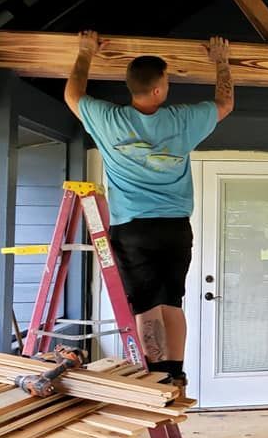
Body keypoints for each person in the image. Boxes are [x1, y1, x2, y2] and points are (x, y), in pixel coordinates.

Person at [64, 31, 234, 389]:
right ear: (158, 90)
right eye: (167, 81)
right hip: (175, 227)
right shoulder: (182, 120)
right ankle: (177, 373)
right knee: (172, 300)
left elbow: (73, 94)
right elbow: (224, 102)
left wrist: (85, 52)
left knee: (146, 305)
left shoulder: (107, 119)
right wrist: (220, 60)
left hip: (132, 229)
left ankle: (155, 376)